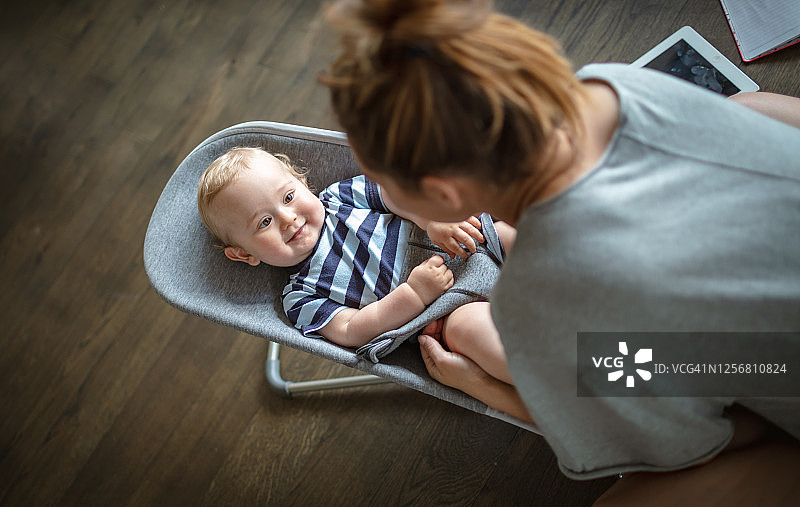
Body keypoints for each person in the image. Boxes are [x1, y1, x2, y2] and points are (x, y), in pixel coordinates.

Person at [321, 0, 800, 500]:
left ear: (444, 194)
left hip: (765, 369)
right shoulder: (612, 86)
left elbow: (675, 438)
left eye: (380, 181)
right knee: (749, 108)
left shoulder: (539, 299)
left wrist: (482, 385)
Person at [196, 146, 514, 382]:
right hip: (445, 315)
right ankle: (547, 381)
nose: (288, 218)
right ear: (245, 254)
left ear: (301, 181)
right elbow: (352, 330)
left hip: (468, 244)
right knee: (470, 332)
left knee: (512, 234)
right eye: (264, 221)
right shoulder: (300, 297)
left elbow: (396, 194)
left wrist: (430, 221)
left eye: (289, 197)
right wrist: (415, 295)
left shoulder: (340, 198)